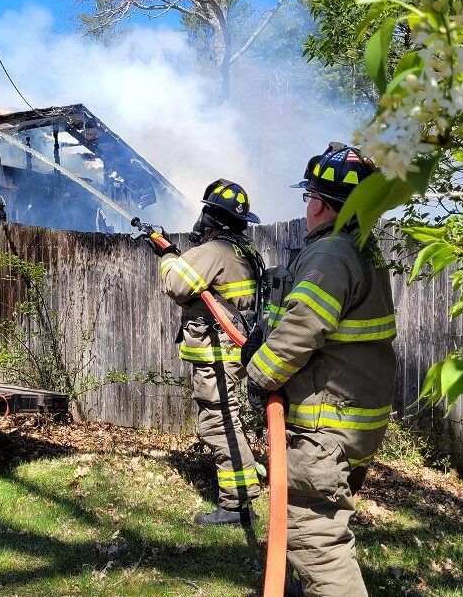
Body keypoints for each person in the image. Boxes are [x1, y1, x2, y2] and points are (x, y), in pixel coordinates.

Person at [245, 143, 397, 596]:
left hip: (323, 427)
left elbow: (303, 326)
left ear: (320, 204)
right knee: (307, 519)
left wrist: (258, 375)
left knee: (316, 535)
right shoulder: (361, 251)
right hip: (352, 422)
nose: (307, 206)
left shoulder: (330, 255)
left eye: (310, 196)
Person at [153, 179, 265, 526]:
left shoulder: (214, 251)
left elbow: (175, 285)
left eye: (204, 212)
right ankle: (244, 492)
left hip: (219, 354)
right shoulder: (246, 251)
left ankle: (236, 505)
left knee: (218, 422)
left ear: (212, 217)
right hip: (236, 351)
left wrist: (167, 254)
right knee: (229, 417)